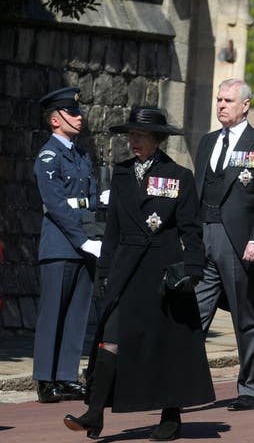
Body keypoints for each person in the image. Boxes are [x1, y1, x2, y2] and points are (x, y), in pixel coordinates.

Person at [63, 107, 214, 440]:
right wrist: (104, 271)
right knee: (111, 337)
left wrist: (193, 269)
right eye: (130, 135)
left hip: (163, 272)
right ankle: (95, 412)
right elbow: (113, 228)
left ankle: (171, 415)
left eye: (141, 136)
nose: (133, 141)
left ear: (157, 140)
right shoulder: (120, 174)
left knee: (167, 344)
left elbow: (191, 230)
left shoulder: (179, 177)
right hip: (126, 269)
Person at [194, 78, 254, 411]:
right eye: (218, 100)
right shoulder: (207, 142)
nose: (220, 105)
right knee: (194, 316)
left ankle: (250, 388)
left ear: (245, 105)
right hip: (205, 236)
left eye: (228, 100)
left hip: (239, 241)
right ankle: (180, 385)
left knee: (246, 317)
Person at [32, 87, 101, 404]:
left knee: (77, 312)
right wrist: (84, 240)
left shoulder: (82, 154)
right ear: (55, 120)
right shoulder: (49, 156)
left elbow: (87, 200)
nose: (79, 117)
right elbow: (57, 205)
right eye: (72, 113)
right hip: (61, 244)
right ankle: (46, 379)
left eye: (78, 112)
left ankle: (66, 376)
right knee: (53, 313)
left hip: (85, 244)